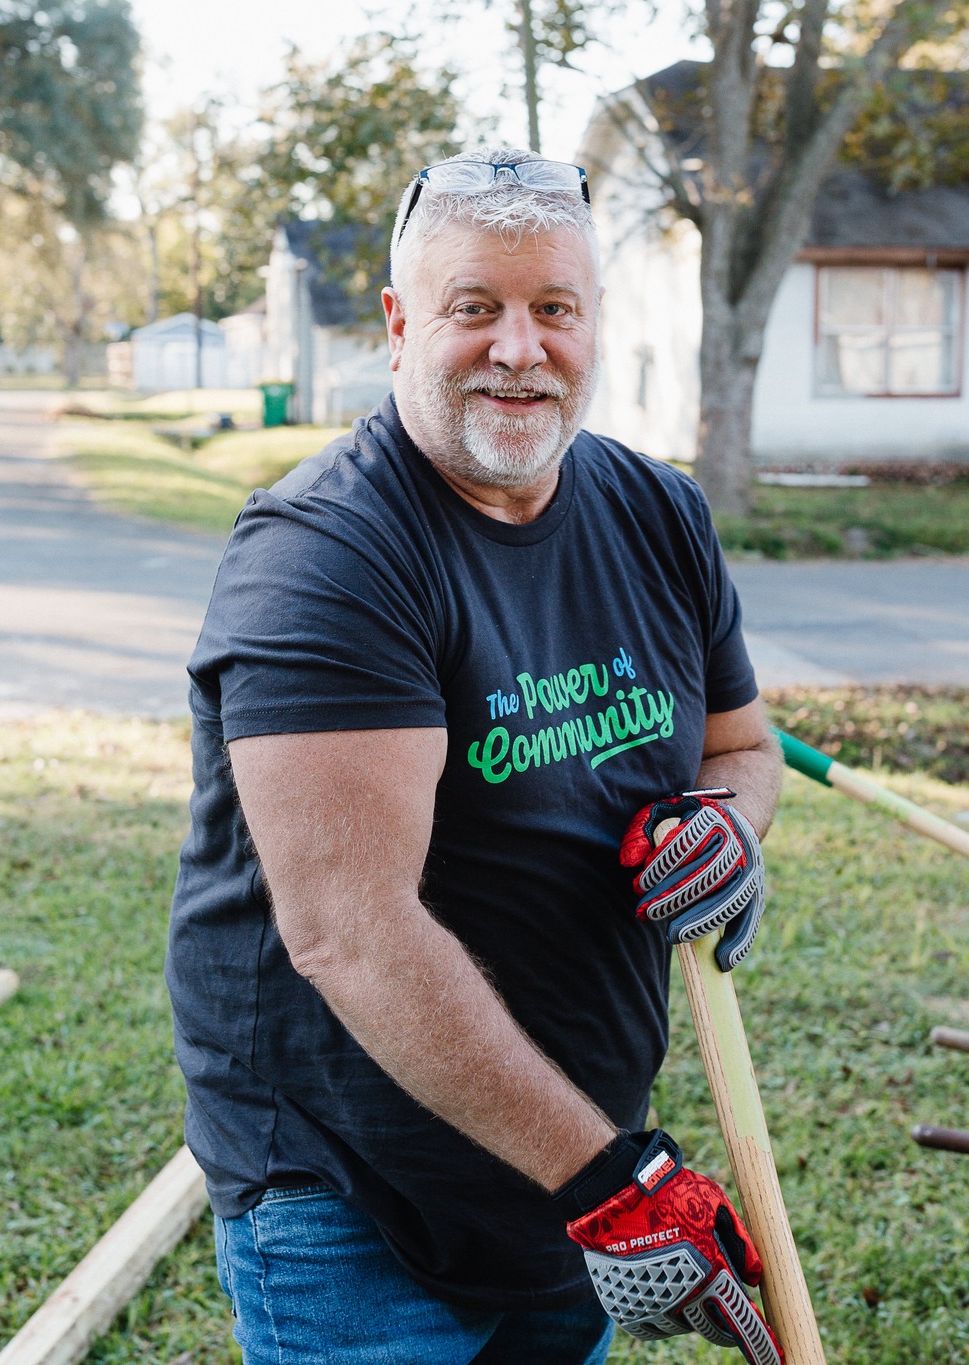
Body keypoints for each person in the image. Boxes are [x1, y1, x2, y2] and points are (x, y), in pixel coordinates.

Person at [166, 145, 783, 1365]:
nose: (518, 348)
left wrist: (726, 824)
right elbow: (349, 932)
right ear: (399, 325)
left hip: (573, 1155)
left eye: (553, 307)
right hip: (359, 1198)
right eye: (473, 308)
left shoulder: (657, 514)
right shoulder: (325, 554)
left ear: (594, 323)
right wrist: (611, 1185)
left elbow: (740, 745)